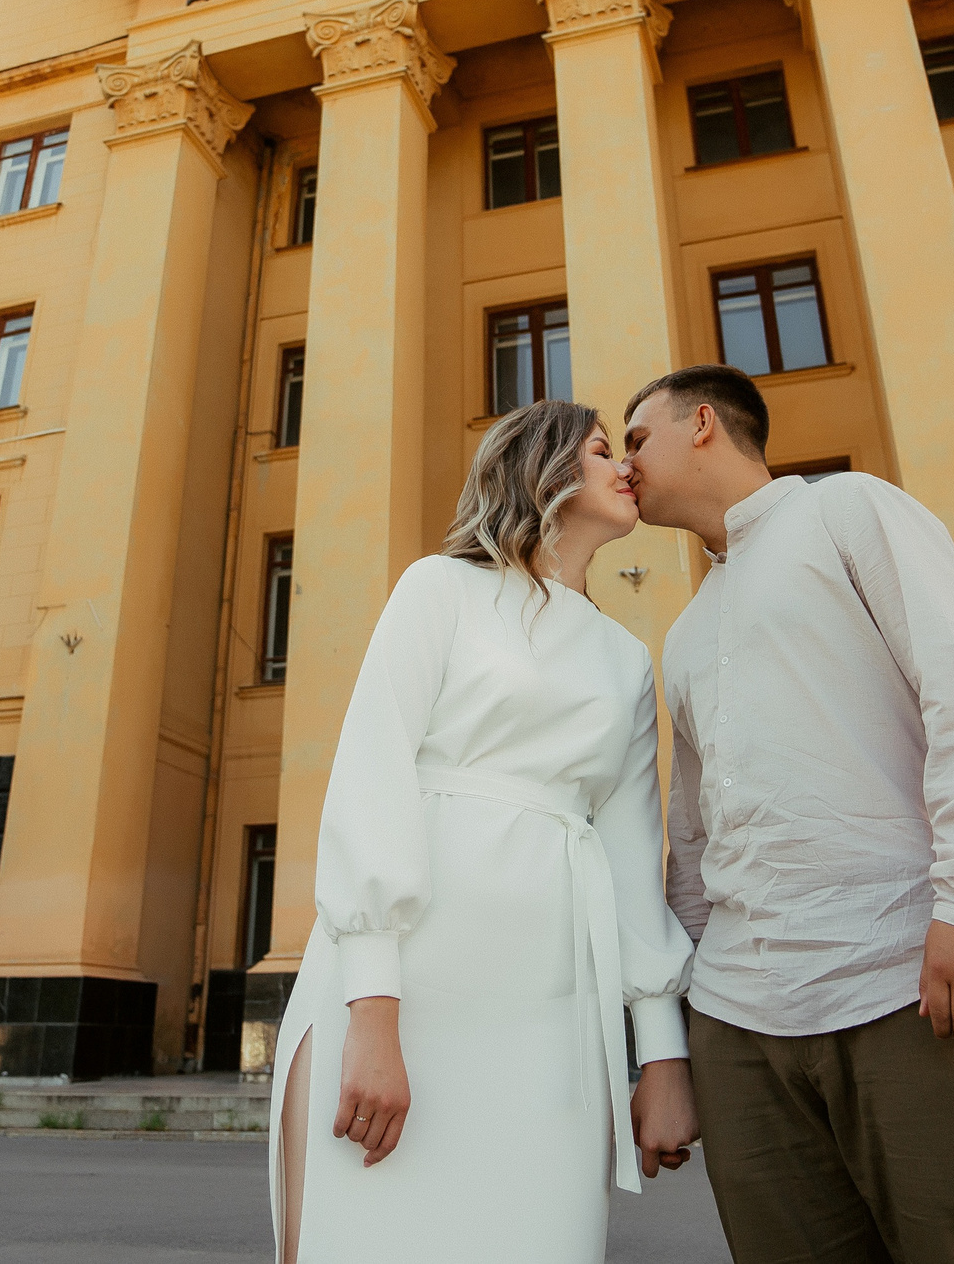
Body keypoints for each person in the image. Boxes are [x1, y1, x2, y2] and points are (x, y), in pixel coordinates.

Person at [619, 364, 954, 1264]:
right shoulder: (685, 631)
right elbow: (695, 838)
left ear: (702, 422)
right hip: (742, 1026)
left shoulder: (851, 511)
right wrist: (685, 1035)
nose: (625, 463)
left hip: (911, 983)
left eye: (636, 438)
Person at [269, 399, 701, 1264]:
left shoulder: (624, 661)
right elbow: (372, 778)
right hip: (407, 997)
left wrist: (662, 1056)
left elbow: (629, 857)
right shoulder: (441, 589)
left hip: (554, 1025)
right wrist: (375, 1017)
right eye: (600, 449)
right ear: (539, 469)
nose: (624, 467)